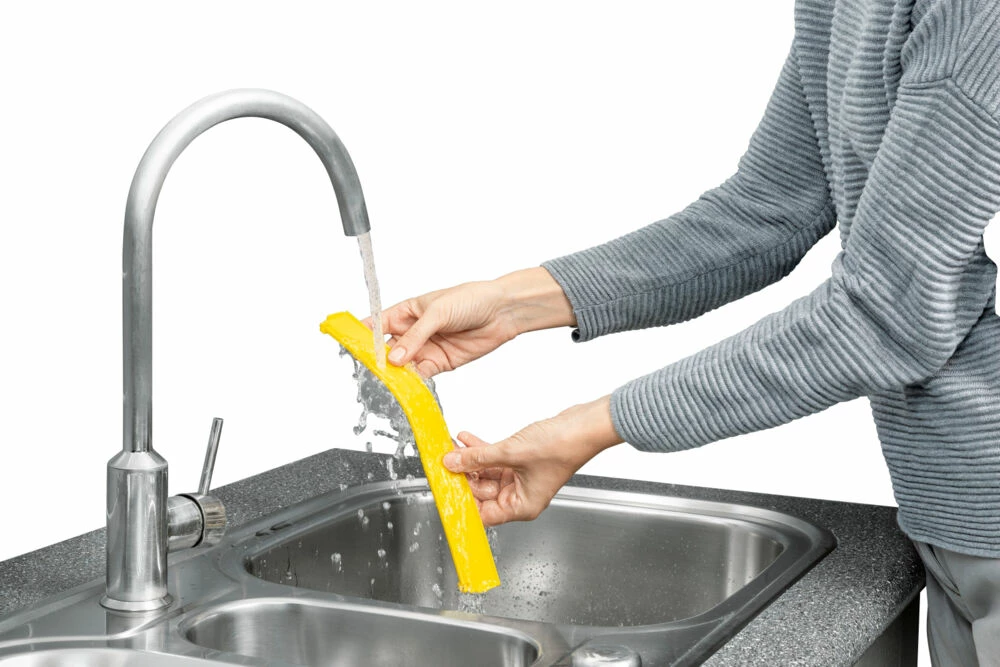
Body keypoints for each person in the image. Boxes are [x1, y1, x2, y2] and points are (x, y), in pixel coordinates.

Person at [372, 1, 1000, 664]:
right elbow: (769, 210)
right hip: (954, 529)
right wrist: (512, 304)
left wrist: (586, 428)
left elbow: (887, 312)